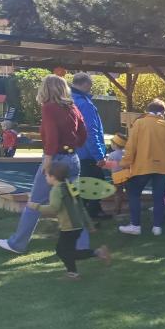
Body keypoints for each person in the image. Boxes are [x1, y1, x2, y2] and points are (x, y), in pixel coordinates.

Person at [0, 75, 89, 255]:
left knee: (34, 203)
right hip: (73, 159)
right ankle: (81, 246)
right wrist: (71, 145)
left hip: (55, 160)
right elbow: (83, 135)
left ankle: (17, 244)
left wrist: (48, 161)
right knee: (74, 204)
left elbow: (52, 137)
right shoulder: (73, 107)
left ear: (46, 89)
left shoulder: (49, 108)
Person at [26, 161, 111, 279]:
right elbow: (81, 206)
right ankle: (73, 272)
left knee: (64, 252)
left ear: (53, 177)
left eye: (46, 175)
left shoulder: (56, 190)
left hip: (69, 227)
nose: (45, 177)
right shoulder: (70, 185)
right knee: (64, 250)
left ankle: (96, 254)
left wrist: (35, 206)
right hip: (77, 225)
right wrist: (89, 224)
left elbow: (54, 208)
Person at [118, 99, 165, 236]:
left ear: (147, 111)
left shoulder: (139, 123)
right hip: (163, 167)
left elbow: (131, 146)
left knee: (134, 193)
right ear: (163, 112)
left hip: (142, 166)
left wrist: (125, 163)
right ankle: (157, 227)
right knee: (159, 197)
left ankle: (135, 225)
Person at [70, 73, 108, 220]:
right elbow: (91, 131)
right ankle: (89, 216)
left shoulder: (69, 100)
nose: (91, 88)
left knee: (85, 182)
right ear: (85, 84)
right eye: (90, 85)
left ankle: (93, 211)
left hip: (75, 150)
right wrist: (99, 155)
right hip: (87, 152)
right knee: (96, 182)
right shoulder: (84, 103)